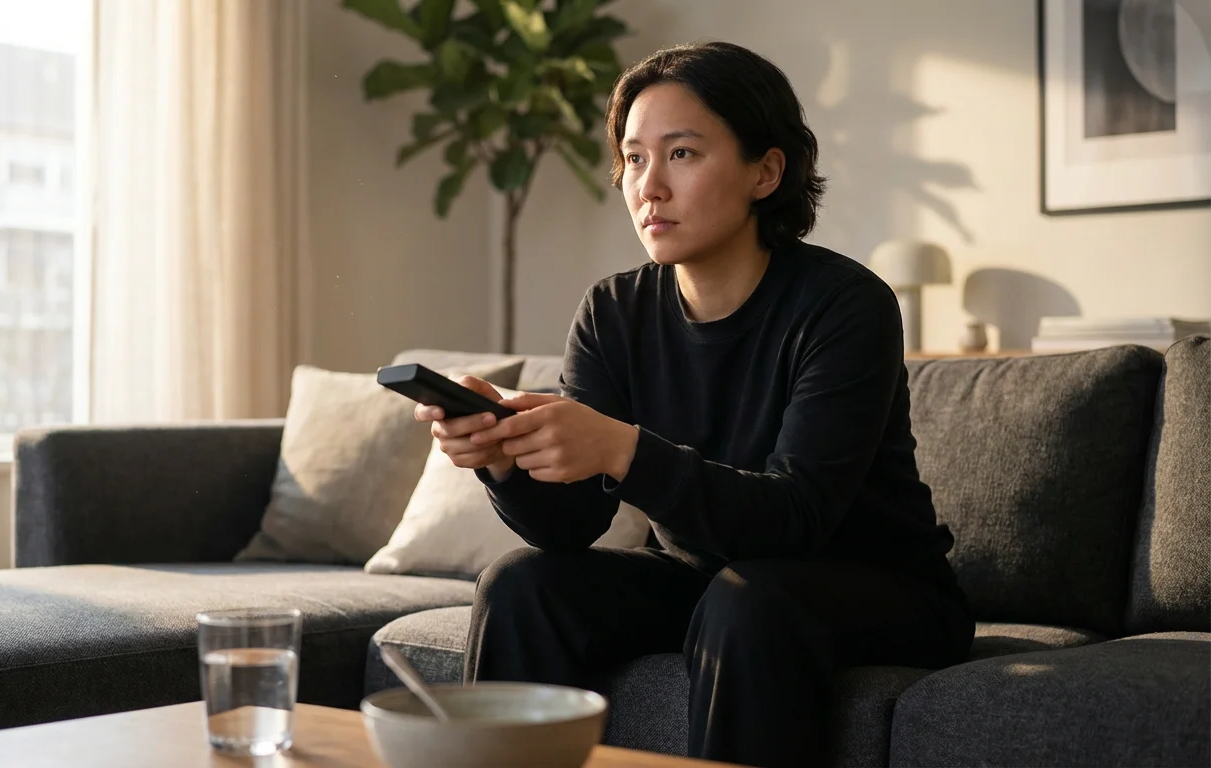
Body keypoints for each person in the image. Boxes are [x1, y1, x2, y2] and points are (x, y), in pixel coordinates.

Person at [413, 41, 974, 768]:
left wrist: (623, 449)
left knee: (751, 598)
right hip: (715, 583)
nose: (649, 187)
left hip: (879, 588)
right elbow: (571, 527)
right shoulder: (613, 312)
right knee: (524, 585)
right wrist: (502, 460)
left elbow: (797, 518)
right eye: (635, 158)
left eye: (681, 154)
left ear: (765, 172)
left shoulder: (843, 305)